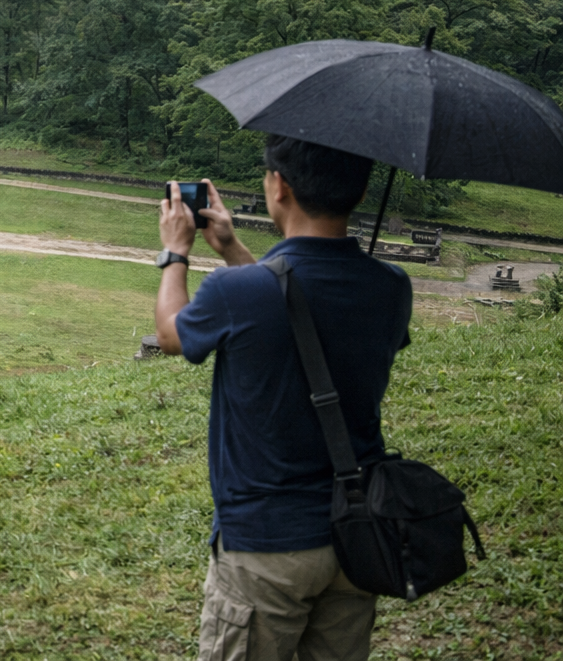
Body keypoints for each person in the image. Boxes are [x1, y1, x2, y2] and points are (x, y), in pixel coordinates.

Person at [153, 136, 413, 661]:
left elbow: (172, 334)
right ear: (360, 193)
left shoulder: (237, 294)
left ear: (279, 186)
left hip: (266, 543)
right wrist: (228, 246)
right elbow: (293, 301)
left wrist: (175, 253)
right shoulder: (392, 286)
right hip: (355, 535)